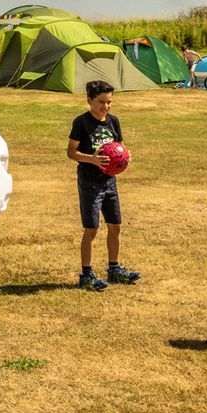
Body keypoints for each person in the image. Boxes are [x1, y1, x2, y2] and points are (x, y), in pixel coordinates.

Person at [67, 79, 140, 291]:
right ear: (89, 100)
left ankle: (114, 269)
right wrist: (93, 159)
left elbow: (119, 146)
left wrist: (124, 157)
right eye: (101, 102)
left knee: (115, 226)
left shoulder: (114, 121)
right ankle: (86, 275)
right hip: (90, 182)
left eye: (109, 102)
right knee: (91, 229)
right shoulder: (81, 123)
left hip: (110, 182)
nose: (105, 107)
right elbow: (71, 152)